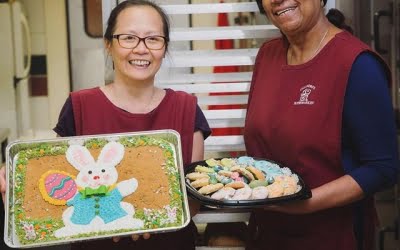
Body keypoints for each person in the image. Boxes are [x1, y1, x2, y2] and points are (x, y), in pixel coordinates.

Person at [1, 0, 211, 249]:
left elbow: (193, 203)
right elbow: (63, 191)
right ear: (109, 45)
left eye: (153, 39)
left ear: (164, 48)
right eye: (128, 38)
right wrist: (16, 179)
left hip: (168, 243)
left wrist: (143, 221)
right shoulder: (79, 106)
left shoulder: (185, 108)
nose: (141, 49)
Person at [244, 1, 399, 250]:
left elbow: (383, 168)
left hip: (331, 236)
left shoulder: (358, 64)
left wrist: (304, 203)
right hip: (268, 234)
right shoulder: (267, 55)